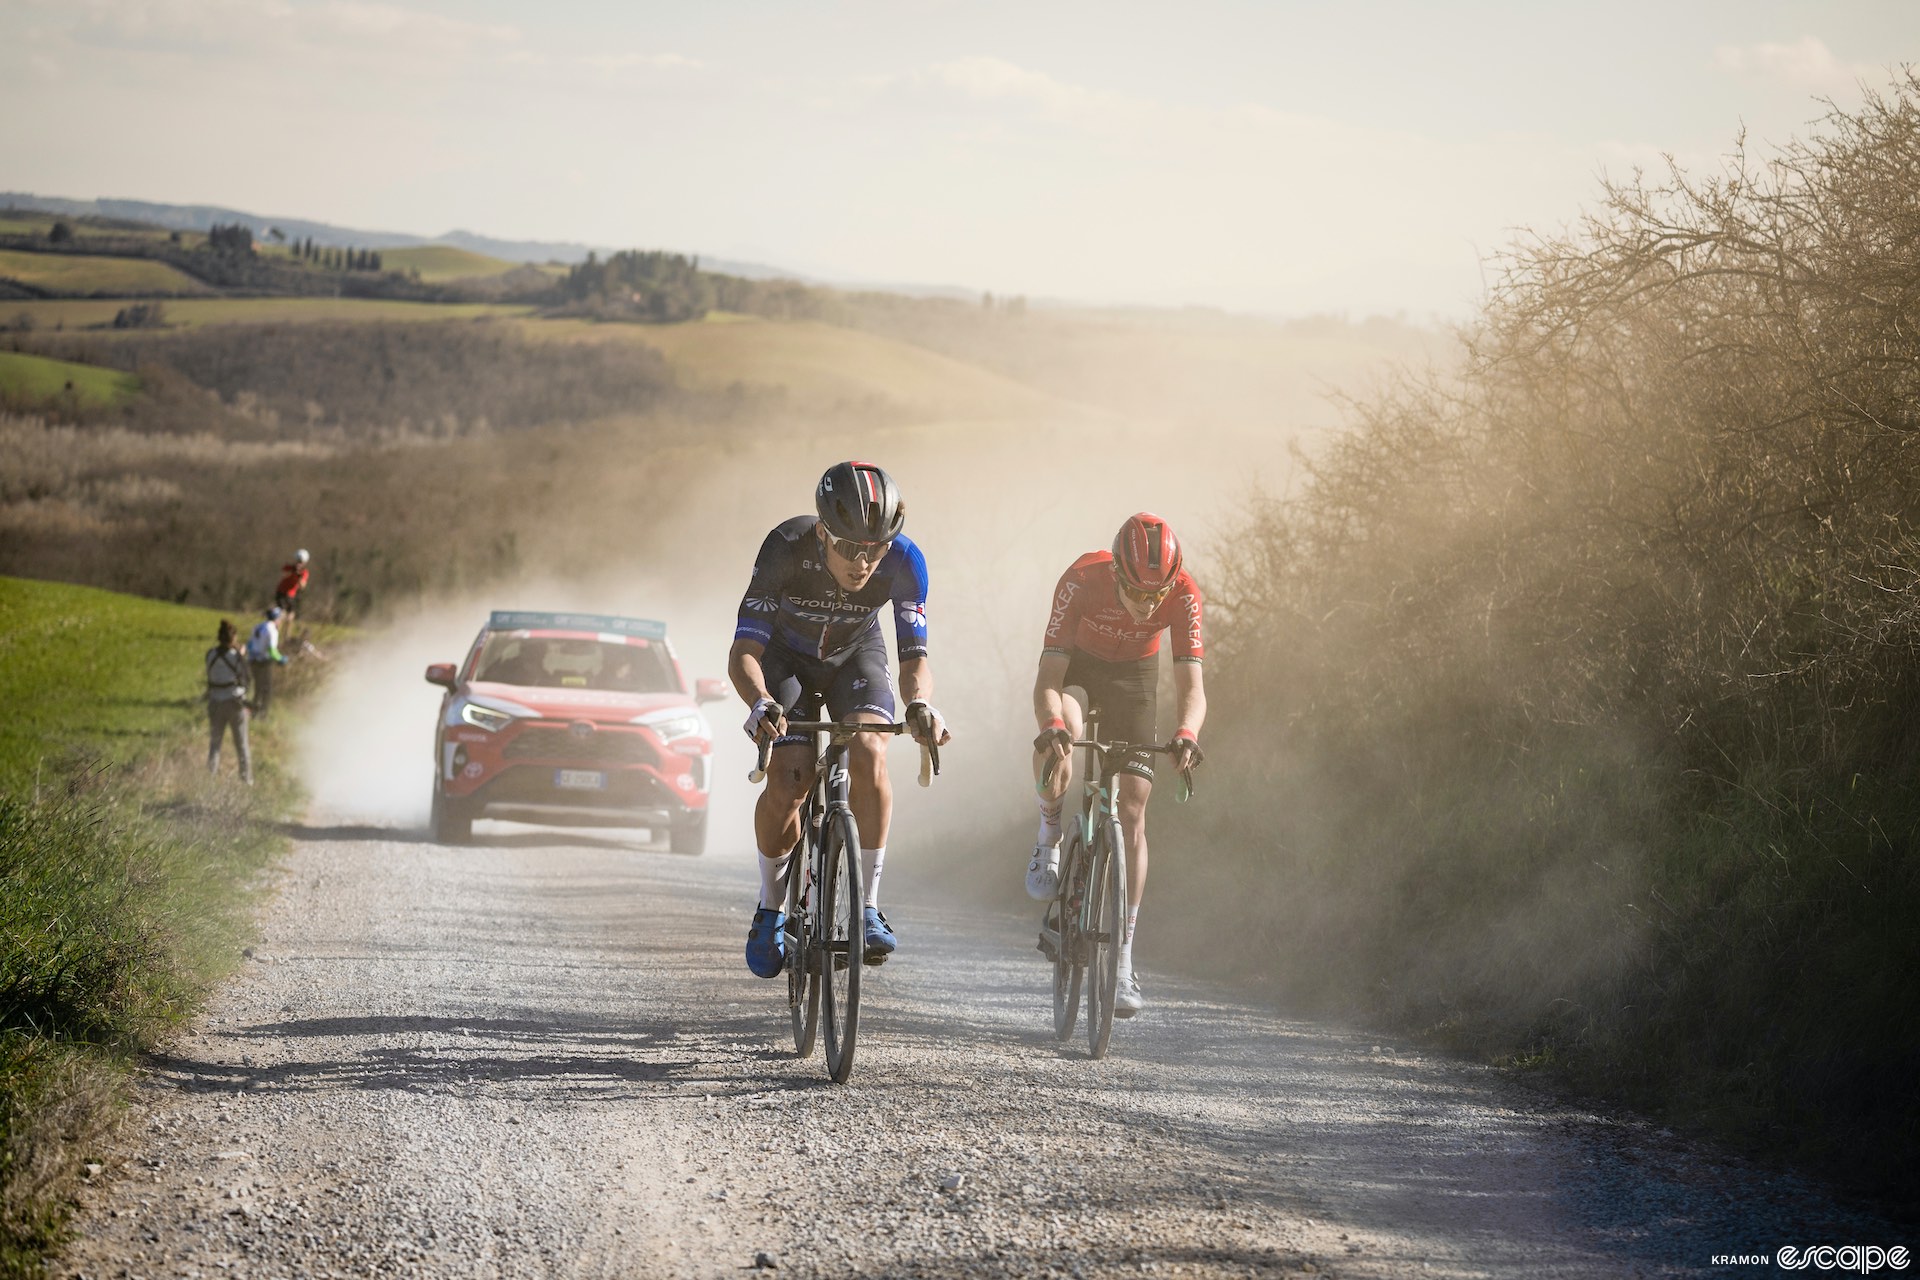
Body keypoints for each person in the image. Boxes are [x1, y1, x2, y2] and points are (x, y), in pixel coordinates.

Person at [729, 461, 951, 978]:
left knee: (872, 750)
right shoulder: (785, 547)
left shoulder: (905, 561)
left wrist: (919, 705)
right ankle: (770, 907)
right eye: (850, 548)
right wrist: (760, 702)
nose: (863, 562)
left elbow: (914, 659)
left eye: (875, 549)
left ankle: (868, 905)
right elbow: (743, 651)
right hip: (787, 659)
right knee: (792, 776)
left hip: (856, 654)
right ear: (823, 532)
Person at [1026, 512, 1207, 1018]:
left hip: (1133, 680)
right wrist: (1052, 724)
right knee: (1068, 732)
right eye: (1136, 593)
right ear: (1118, 575)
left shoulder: (1185, 593)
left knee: (1132, 807)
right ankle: (1049, 835)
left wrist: (1187, 733)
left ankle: (1124, 959)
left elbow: (1192, 688)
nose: (1146, 605)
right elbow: (1048, 677)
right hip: (1078, 669)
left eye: (1157, 596)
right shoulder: (1083, 578)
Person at [205, 619, 252, 784]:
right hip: (234, 703)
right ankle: (246, 780)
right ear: (233, 639)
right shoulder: (236, 656)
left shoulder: (210, 654)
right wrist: (242, 655)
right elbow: (246, 679)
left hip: (215, 702)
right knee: (241, 745)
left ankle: (209, 780)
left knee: (215, 744)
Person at [247, 606, 289, 718]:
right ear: (277, 618)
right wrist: (281, 659)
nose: (281, 621)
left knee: (257, 688)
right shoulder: (272, 630)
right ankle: (263, 715)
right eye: (280, 618)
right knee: (267, 690)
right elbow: (272, 650)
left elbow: (250, 645)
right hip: (264, 662)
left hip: (253, 660)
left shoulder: (257, 627)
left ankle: (254, 712)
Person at [275, 549, 310, 622]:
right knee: (281, 613)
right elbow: (283, 575)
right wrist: (293, 571)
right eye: (298, 561)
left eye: (301, 562)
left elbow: (302, 586)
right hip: (281, 592)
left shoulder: (304, 572)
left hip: (291, 595)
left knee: (291, 615)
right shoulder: (288, 567)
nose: (299, 564)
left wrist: (299, 576)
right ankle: (276, 631)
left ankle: (286, 633)